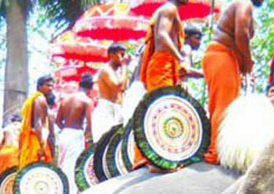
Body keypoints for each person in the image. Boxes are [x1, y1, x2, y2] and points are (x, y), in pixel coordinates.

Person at [202, 0, 264, 164]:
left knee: (221, 104)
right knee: (225, 105)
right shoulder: (245, 4)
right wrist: (247, 62)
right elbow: (241, 34)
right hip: (221, 55)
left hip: (224, 56)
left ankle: (214, 147)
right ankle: (216, 151)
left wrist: (243, 63)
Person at [134, 0, 190, 170]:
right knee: (161, 110)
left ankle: (163, 156)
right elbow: (162, 36)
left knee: (167, 109)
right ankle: (155, 159)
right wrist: (180, 58)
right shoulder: (169, 8)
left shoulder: (171, 11)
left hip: (166, 65)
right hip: (161, 65)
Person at [57, 73, 94, 194]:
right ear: (91, 88)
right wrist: (86, 137)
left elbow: (58, 121)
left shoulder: (65, 100)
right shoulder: (87, 101)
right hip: (76, 134)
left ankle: (59, 193)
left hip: (64, 134)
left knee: (62, 164)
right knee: (72, 166)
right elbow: (90, 124)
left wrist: (66, 129)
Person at [93, 43, 129, 142]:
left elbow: (123, 88)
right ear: (112, 55)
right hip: (106, 110)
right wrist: (124, 66)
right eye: (121, 55)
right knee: (104, 145)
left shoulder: (119, 71)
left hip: (117, 110)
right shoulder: (106, 70)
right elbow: (117, 87)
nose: (124, 58)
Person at [18, 75, 54, 169]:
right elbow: (38, 123)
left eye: (51, 86)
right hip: (36, 141)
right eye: (47, 85)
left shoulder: (33, 99)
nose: (50, 88)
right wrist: (42, 145)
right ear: (39, 87)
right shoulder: (40, 99)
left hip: (31, 140)